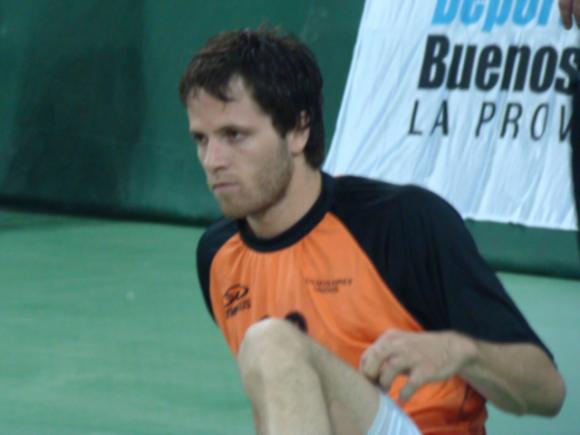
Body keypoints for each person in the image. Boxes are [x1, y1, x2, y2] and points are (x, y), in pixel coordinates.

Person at [179, 28, 566, 435]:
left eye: (234, 135)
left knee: (270, 342)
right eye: (201, 139)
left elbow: (547, 392)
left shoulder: (400, 223)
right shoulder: (218, 257)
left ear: (298, 129)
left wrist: (462, 352)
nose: (212, 160)